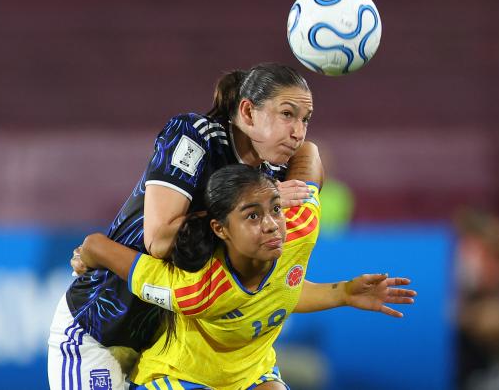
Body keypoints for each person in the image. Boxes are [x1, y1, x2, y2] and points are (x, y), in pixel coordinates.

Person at [48, 63, 319, 389]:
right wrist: (263, 200)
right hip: (102, 329)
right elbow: (159, 239)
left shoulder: (270, 171)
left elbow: (310, 154)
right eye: (287, 114)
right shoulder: (194, 136)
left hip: (166, 347)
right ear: (247, 113)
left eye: (305, 119)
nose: (298, 131)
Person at [77, 162, 416, 389]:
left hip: (251, 372)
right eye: (252, 216)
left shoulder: (299, 227)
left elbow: (280, 293)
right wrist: (87, 254)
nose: (271, 223)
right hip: (183, 378)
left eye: (275, 208)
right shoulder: (197, 290)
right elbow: (100, 247)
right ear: (220, 229)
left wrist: (343, 293)